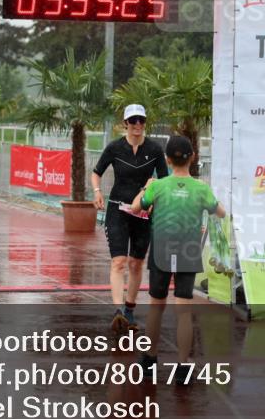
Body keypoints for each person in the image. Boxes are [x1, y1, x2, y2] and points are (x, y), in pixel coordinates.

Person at [131, 135, 225, 375]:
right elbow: (221, 213)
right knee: (184, 310)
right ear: (192, 157)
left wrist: (145, 186)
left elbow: (135, 207)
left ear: (167, 159)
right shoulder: (201, 188)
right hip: (188, 251)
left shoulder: (158, 186)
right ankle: (183, 366)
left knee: (156, 306)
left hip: (162, 250)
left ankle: (150, 360)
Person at [91, 104, 168, 331]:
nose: (137, 125)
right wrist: (96, 192)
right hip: (117, 209)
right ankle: (117, 312)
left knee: (136, 263)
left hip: (143, 213)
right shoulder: (114, 148)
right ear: (125, 123)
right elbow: (96, 173)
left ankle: (130, 309)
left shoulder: (154, 149)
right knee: (119, 261)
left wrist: (153, 192)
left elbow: (164, 180)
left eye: (141, 121)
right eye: (132, 121)